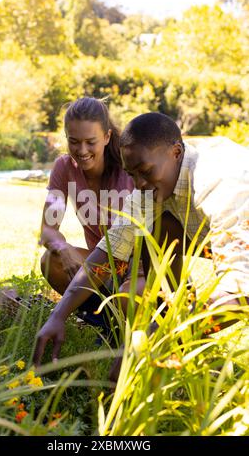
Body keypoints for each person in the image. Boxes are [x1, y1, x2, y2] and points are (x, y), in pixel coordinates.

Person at [34, 112, 249, 367]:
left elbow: (241, 292)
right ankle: (162, 319)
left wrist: (157, 340)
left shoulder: (219, 182)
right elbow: (110, 252)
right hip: (210, 239)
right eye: (132, 175)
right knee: (156, 226)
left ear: (176, 152)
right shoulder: (148, 189)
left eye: (145, 172)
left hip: (238, 245)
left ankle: (171, 341)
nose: (139, 184)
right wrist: (58, 315)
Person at [39, 97, 145, 328]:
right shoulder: (64, 168)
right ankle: (105, 325)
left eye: (90, 142)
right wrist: (63, 248)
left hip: (140, 267)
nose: (82, 150)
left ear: (107, 137)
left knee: (132, 293)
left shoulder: (129, 167)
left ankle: (130, 325)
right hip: (103, 266)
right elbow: (48, 229)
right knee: (51, 261)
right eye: (74, 141)